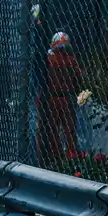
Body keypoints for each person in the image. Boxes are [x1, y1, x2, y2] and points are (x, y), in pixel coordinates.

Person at [38, 32, 81, 163]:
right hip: (66, 98)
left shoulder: (49, 59)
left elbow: (41, 79)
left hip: (50, 97)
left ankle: (50, 158)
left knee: (49, 131)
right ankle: (71, 158)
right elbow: (78, 80)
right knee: (69, 131)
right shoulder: (72, 60)